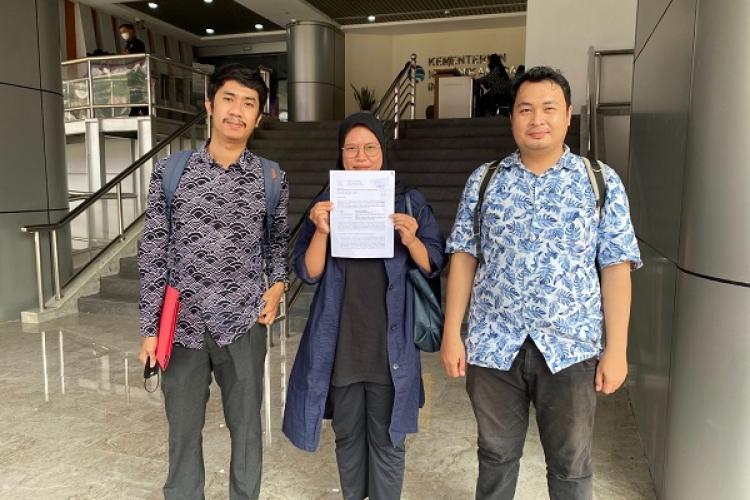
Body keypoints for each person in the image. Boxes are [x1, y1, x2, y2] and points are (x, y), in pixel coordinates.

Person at [441, 66, 642, 500]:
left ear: (568, 115)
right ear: (512, 117)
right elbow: (463, 257)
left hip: (571, 348)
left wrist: (617, 349)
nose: (537, 120)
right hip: (493, 345)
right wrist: (452, 333)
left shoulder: (599, 181)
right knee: (495, 456)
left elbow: (616, 267)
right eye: (525, 109)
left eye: (549, 108)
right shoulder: (485, 180)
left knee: (571, 466)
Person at [138, 64, 288, 500]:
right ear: (209, 105)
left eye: (248, 103)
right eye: (229, 99)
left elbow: (277, 243)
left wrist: (278, 284)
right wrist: (149, 328)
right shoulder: (171, 171)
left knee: (247, 431)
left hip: (243, 324)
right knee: (183, 431)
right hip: (182, 325)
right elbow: (154, 250)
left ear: (258, 117)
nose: (237, 111)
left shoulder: (271, 178)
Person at [282, 112, 447, 500]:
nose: (361, 157)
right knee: (348, 438)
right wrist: (321, 231)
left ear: (383, 151)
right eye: (351, 149)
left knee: (389, 442)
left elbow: (434, 263)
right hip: (342, 346)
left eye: (370, 148)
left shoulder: (408, 201)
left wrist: (411, 240)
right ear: (340, 154)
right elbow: (308, 272)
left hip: (390, 349)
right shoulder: (326, 204)